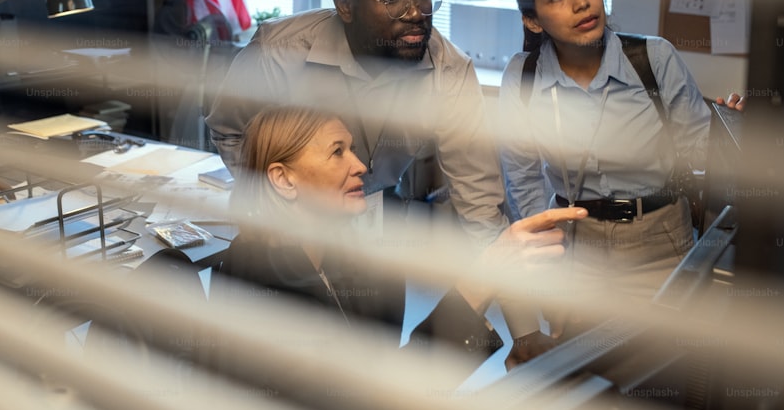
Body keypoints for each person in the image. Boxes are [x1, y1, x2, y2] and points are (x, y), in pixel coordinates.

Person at [499, 0, 742, 349]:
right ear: (533, 20)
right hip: (578, 248)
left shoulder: (653, 59)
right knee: (584, 374)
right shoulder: (523, 79)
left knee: (659, 372)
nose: (581, 2)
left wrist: (734, 129)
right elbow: (522, 181)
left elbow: (704, 155)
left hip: (659, 241)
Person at [207, 0, 513, 246]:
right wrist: (277, 200)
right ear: (346, 7)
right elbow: (229, 129)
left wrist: (501, 263)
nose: (416, 14)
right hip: (293, 219)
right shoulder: (279, 53)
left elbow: (478, 197)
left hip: (381, 210)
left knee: (378, 295)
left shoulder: (448, 71)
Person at [216, 105, 577, 360]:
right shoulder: (257, 278)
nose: (360, 166)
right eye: (337, 152)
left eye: (353, 149)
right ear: (284, 179)